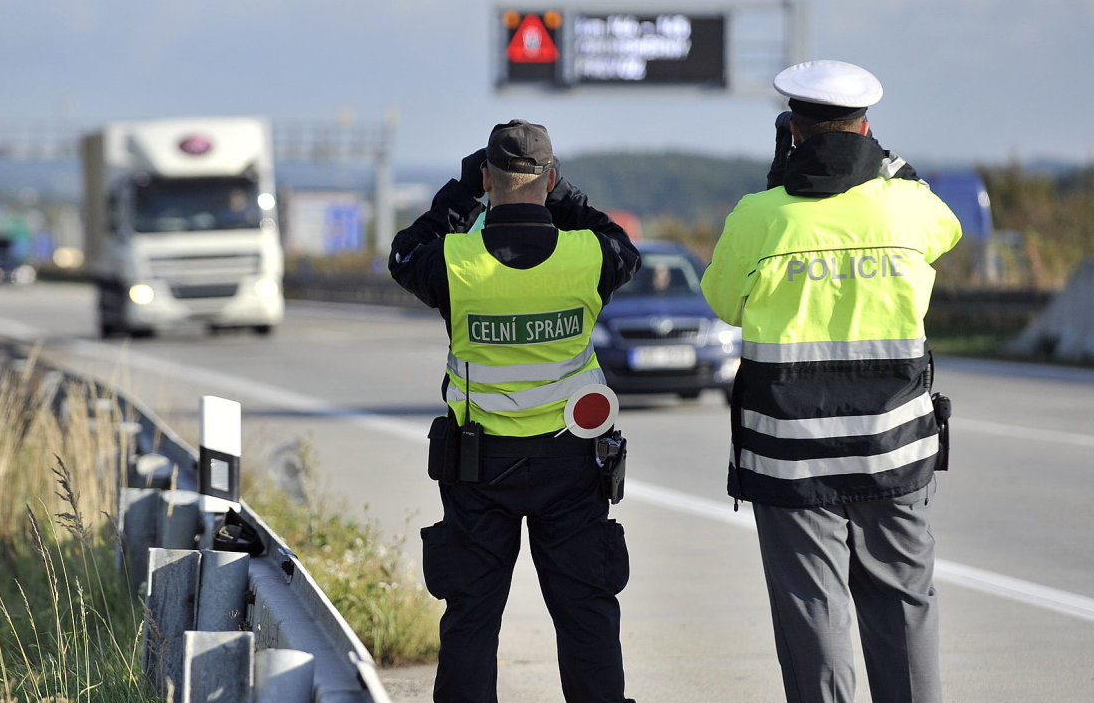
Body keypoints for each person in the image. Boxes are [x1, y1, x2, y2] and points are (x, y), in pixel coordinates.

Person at [701, 60, 962, 703]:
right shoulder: (908, 207)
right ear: (866, 128)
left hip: (789, 455)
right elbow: (947, 230)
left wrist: (775, 194)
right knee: (904, 601)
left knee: (811, 612)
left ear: (792, 130)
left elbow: (724, 304)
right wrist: (894, 170)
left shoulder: (759, 216)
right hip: (893, 445)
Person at [390, 119, 640, 703]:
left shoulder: (455, 261)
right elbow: (620, 243)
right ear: (549, 179)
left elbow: (404, 252)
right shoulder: (588, 257)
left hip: (479, 468)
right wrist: (565, 196)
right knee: (586, 615)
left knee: (472, 619)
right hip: (572, 466)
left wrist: (459, 194)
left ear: (487, 178)